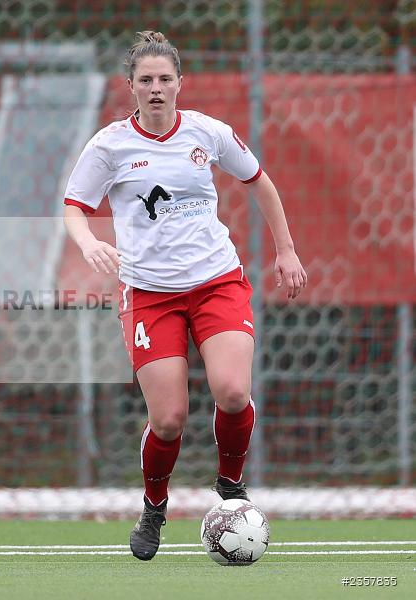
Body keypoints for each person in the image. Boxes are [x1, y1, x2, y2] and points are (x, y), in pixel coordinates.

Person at [62, 31, 306, 561]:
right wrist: (88, 244)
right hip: (150, 294)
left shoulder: (207, 133)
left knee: (233, 392)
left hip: (216, 281)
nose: (155, 88)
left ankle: (230, 488)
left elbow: (261, 182)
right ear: (130, 87)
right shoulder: (109, 146)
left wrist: (286, 251)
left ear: (180, 84)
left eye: (164, 79)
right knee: (170, 417)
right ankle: (154, 507)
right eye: (145, 80)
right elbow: (74, 207)